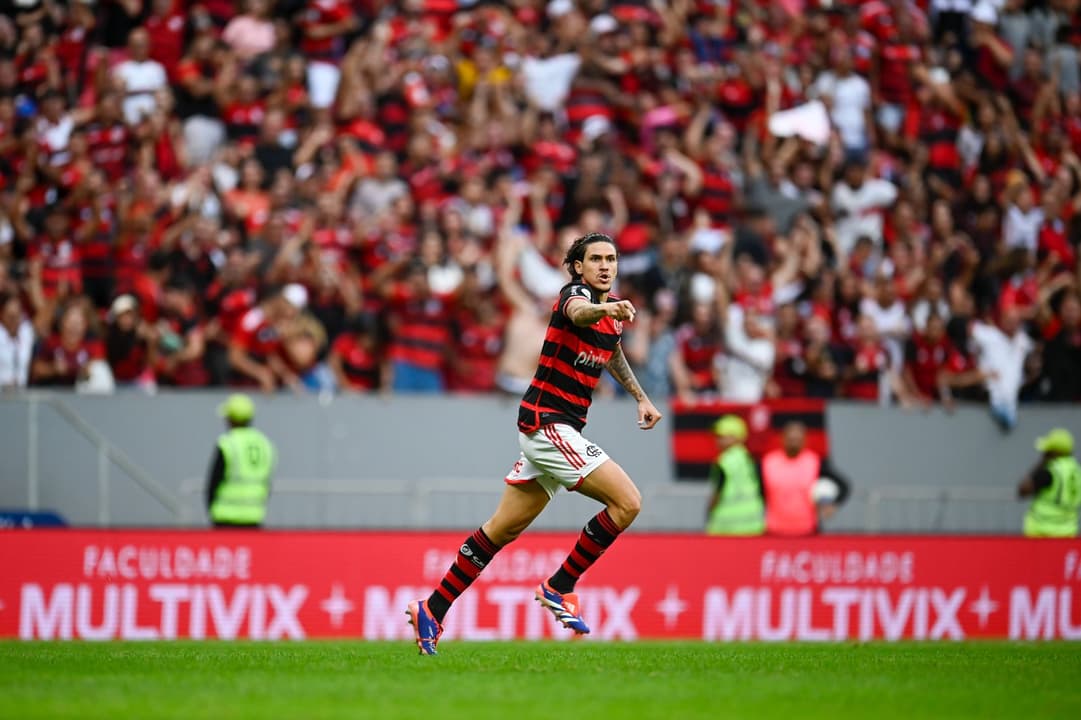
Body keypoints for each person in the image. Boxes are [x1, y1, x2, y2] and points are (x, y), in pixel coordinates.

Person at [406, 232, 662, 655]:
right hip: (548, 424)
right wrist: (605, 307)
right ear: (578, 266)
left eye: (611, 259)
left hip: (561, 429)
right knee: (628, 502)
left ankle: (432, 608)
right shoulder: (574, 296)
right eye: (595, 258)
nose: (605, 266)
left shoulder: (611, 315)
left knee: (501, 529)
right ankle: (560, 586)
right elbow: (580, 315)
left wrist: (640, 397)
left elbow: (612, 350)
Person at [761, 421, 851, 536]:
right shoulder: (768, 462)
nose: (794, 443)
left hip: (807, 530)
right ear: (782, 439)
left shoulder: (814, 462)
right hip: (774, 529)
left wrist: (832, 504)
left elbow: (843, 485)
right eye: (790, 439)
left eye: (797, 439)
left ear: (805, 440)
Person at [206, 393, 277, 528]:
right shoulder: (265, 443)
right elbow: (267, 482)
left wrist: (211, 509)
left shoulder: (227, 443)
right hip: (254, 516)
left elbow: (214, 482)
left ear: (231, 419)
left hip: (225, 517)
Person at [705, 415, 765, 536]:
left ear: (736, 438)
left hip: (725, 526)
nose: (717, 440)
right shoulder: (750, 459)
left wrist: (709, 510)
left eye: (722, 437)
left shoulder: (724, 461)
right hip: (752, 524)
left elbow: (717, 493)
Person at [1018, 428, 1081, 538]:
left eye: (1047, 450)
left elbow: (1023, 490)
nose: (1044, 453)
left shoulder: (1052, 471)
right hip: (1068, 533)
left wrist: (1042, 462)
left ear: (1055, 451)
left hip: (1042, 533)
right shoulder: (1076, 470)